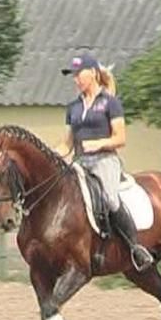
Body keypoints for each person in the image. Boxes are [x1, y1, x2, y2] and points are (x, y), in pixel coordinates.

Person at [60, 53, 154, 271]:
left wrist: (99, 144)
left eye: (78, 74)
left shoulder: (110, 103)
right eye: (72, 76)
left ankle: (135, 248)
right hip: (80, 162)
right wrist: (53, 153)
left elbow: (120, 138)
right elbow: (67, 144)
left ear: (92, 73)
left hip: (105, 161)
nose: (75, 79)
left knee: (110, 200)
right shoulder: (72, 108)